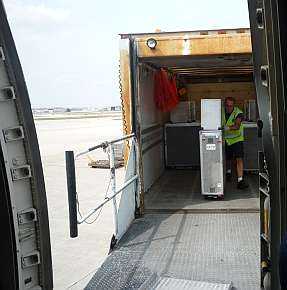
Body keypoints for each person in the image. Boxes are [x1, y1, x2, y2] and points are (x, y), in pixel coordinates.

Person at [222, 97, 249, 189]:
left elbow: (237, 126)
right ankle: (228, 172)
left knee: (239, 159)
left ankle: (240, 180)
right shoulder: (220, 112)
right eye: (227, 106)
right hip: (226, 140)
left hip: (237, 139)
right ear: (224, 105)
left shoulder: (238, 112)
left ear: (234, 105)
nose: (229, 108)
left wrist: (226, 128)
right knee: (228, 159)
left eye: (231, 106)